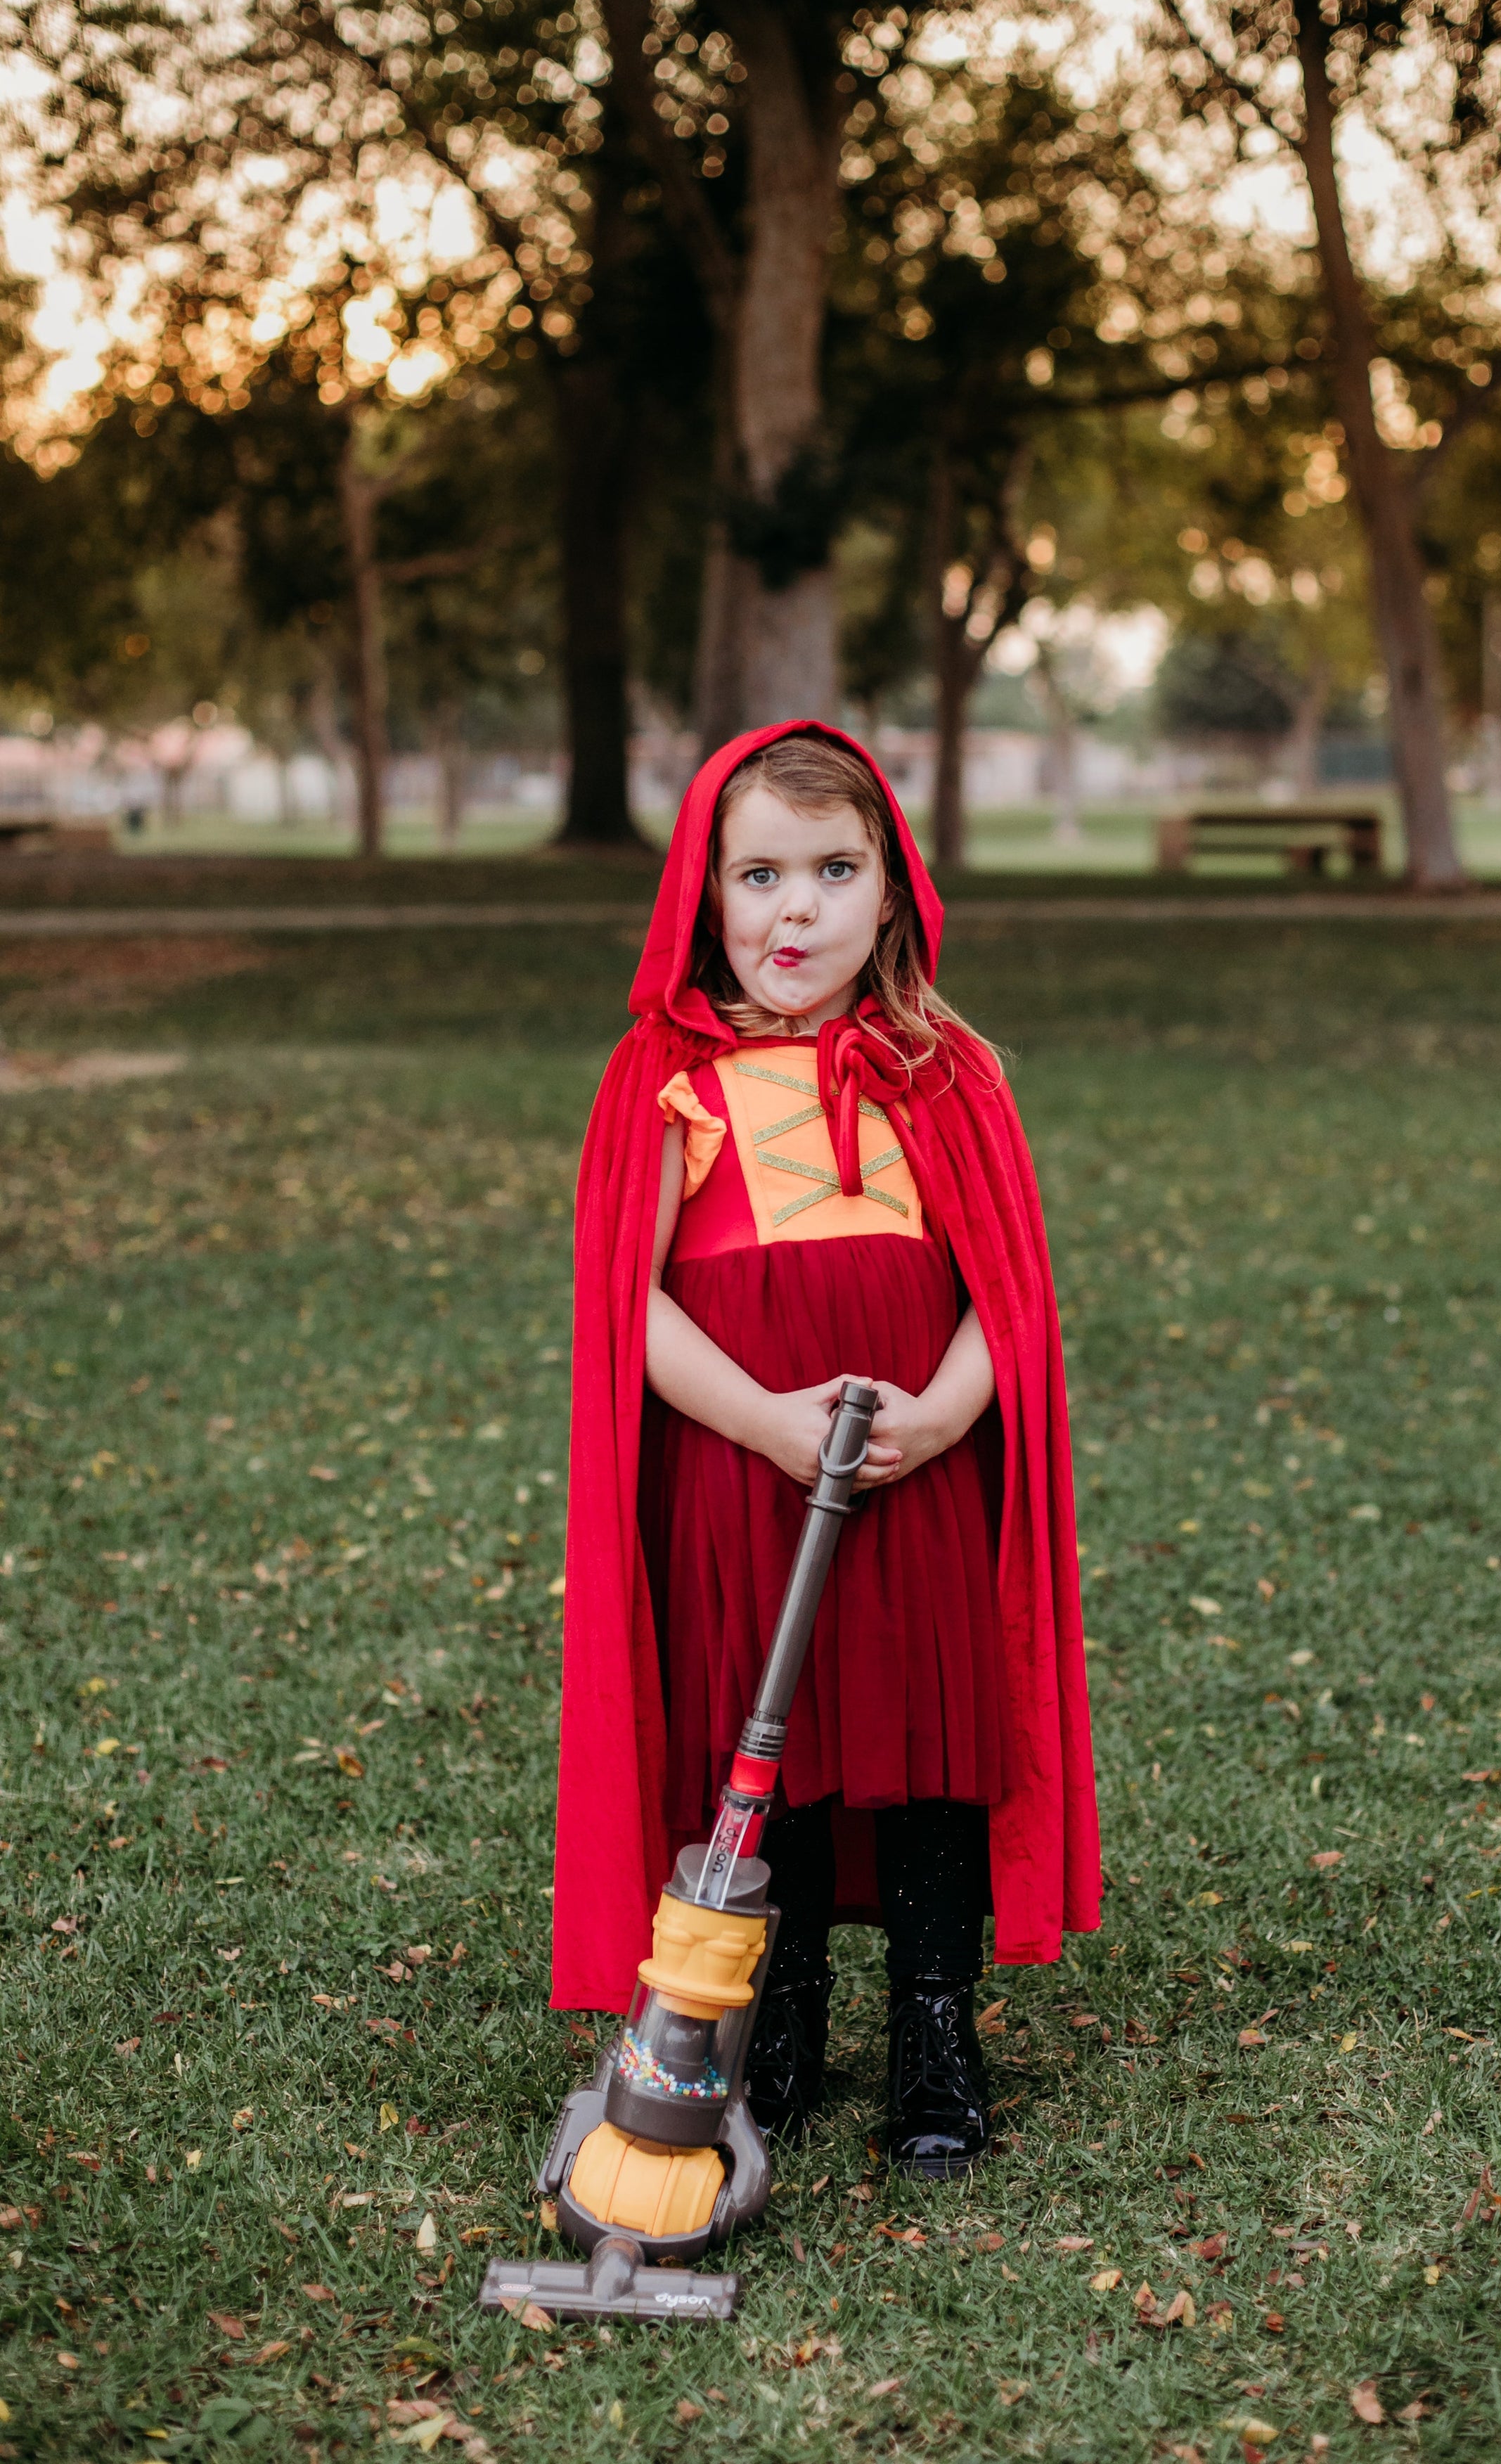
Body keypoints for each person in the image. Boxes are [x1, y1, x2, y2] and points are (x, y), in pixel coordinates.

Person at [553, 720, 1100, 2178]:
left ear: (893, 890)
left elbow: (1009, 1295)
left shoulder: (947, 1072)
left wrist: (948, 1413)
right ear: (703, 893)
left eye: (834, 871)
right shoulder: (663, 1077)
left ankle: (935, 2027)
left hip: (917, 1474)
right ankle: (779, 2020)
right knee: (767, 1744)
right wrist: (768, 1420)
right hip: (744, 1475)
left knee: (927, 1744)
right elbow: (628, 1310)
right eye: (760, 876)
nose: (796, 911)